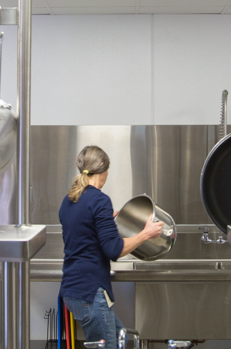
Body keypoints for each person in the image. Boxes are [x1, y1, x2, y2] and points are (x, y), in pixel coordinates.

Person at [59, 145, 164, 349]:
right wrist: (146, 233)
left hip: (72, 291)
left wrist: (107, 222)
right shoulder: (100, 200)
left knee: (118, 335)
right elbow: (114, 250)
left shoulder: (68, 200)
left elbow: (84, 235)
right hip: (91, 293)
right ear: (102, 167)